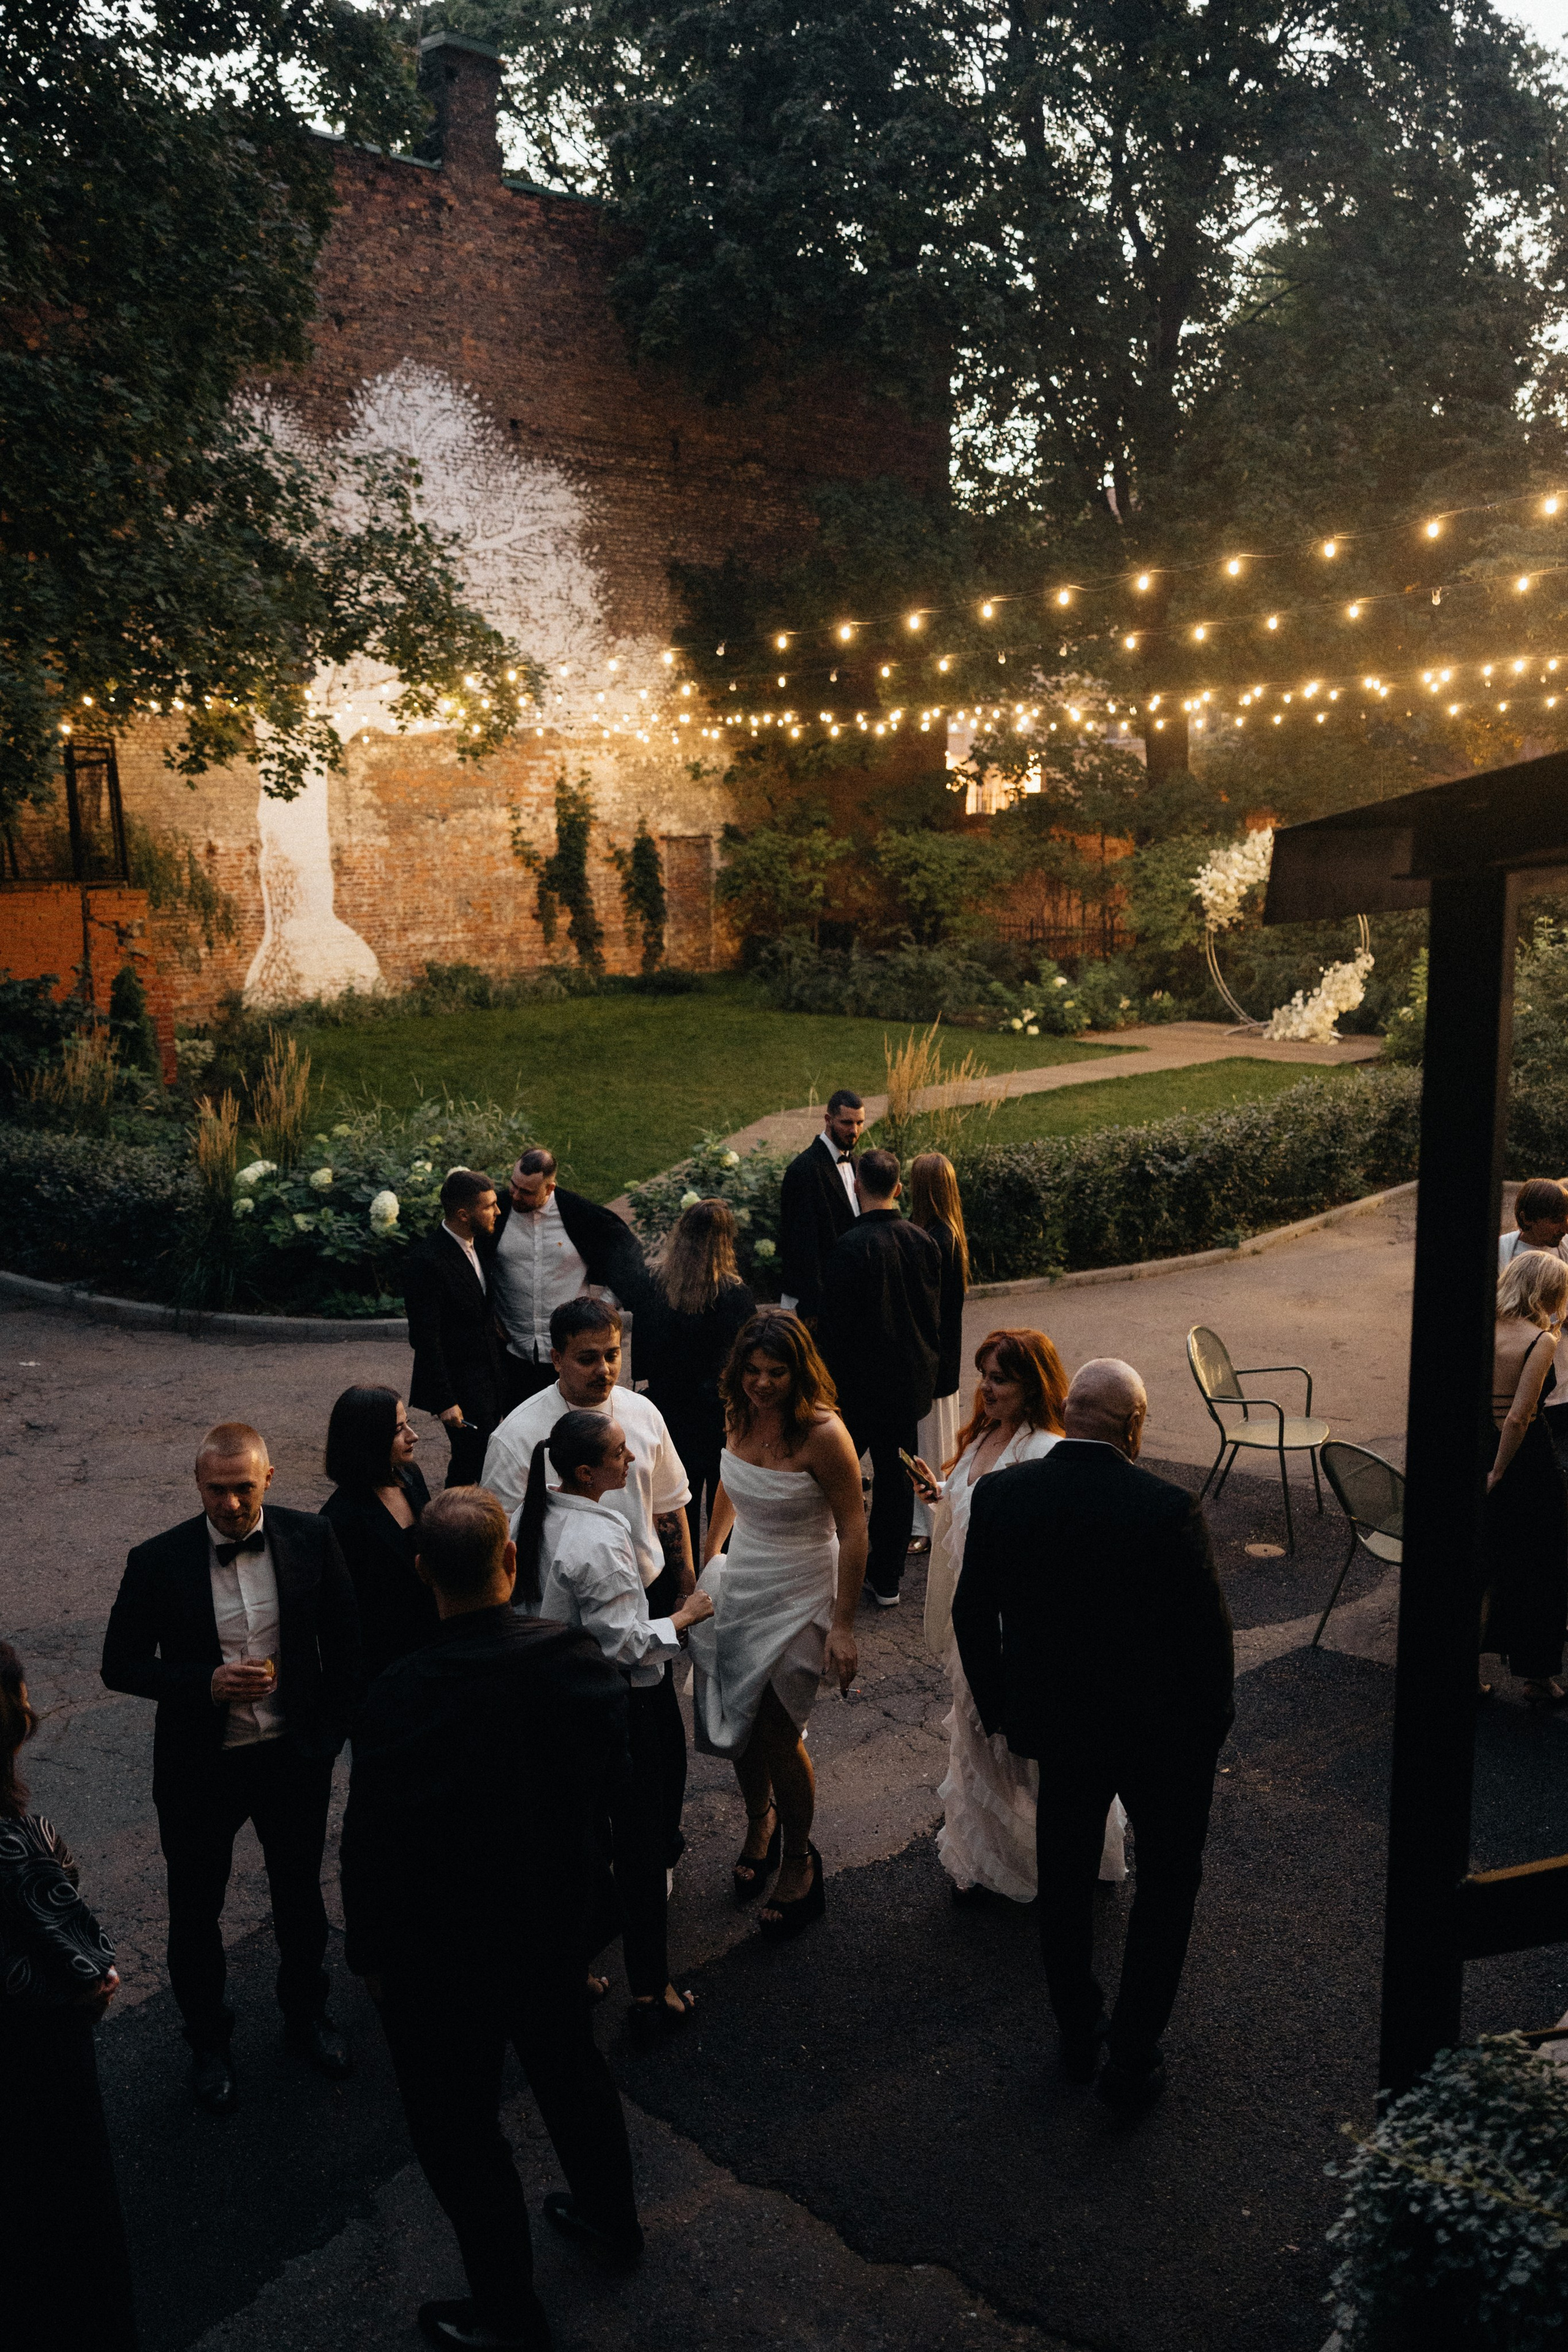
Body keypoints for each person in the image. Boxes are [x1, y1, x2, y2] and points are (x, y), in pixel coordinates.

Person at [341, 1487, 642, 2352]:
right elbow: (621, 1795)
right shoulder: (576, 1660)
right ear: (512, 1560)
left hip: (443, 1956)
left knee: (461, 2132)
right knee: (571, 2074)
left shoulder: (400, 1693)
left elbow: (370, 1844)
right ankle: (612, 2218)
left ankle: (510, 2311)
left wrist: (372, 1952)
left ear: (422, 1573)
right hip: (552, 1929)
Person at [954, 1359, 1234, 2114]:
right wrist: (1208, 1734)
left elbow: (970, 1613)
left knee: (1066, 1879)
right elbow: (1206, 1642)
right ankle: (1132, 2057)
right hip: (1160, 1737)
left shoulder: (1004, 1495)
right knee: (1168, 1885)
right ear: (1134, 1427)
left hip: (1061, 1730)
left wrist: (1004, 1709)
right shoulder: (1167, 1508)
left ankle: (1077, 2030)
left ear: (1070, 1414)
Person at [101, 1421, 360, 2115]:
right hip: (200, 1767)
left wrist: (328, 1735)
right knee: (195, 1912)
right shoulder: (157, 1560)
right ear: (198, 1486)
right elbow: (118, 1665)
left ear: (268, 1480)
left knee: (300, 1899)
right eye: (217, 1490)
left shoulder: (311, 1538)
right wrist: (203, 1685)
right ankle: (207, 2044)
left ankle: (307, 2018)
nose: (231, 1504)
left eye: (244, 1488)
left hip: (291, 1759)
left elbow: (346, 1641)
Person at [515, 1412, 714, 2039]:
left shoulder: (537, 1517)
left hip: (549, 1707)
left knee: (572, 1847)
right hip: (613, 1709)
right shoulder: (599, 1542)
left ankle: (563, 1970)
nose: (629, 1464)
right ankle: (653, 1991)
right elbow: (626, 1645)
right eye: (619, 1455)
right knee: (639, 1848)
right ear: (585, 1471)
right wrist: (686, 1617)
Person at [911, 1329, 1128, 1904]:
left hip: (1012, 1626)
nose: (986, 1388)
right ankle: (990, 1863)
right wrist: (940, 1493)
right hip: (970, 1618)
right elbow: (971, 1511)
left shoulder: (1042, 1450)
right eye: (984, 1375)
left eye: (1000, 1378)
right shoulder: (985, 1435)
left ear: (1032, 1385)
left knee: (1024, 1755)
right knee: (980, 1746)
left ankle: (1049, 1864)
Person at [482, 1298, 695, 1878]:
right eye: (587, 1358)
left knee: (655, 1741)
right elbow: (496, 1545)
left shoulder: (643, 1415)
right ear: (555, 1358)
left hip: (643, 1594)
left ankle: (655, 1853)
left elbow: (671, 1510)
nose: (604, 1370)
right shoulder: (515, 1436)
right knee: (576, 1754)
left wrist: (684, 1589)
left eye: (613, 1355)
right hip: (556, 1619)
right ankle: (590, 1866)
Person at [688, 1311, 869, 1938]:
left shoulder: (824, 1434)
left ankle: (799, 1859)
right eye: (752, 1371)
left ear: (800, 1371)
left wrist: (843, 1626)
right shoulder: (737, 1410)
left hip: (802, 1585)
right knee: (739, 1715)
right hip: (744, 1578)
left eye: (776, 1372)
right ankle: (758, 1820)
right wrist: (707, 1559)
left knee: (777, 1726)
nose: (761, 1383)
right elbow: (728, 1486)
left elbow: (853, 1528)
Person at [1, 1641, 139, 2350]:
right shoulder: (21, 1843)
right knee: (58, 2215)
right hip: (32, 2065)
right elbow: (83, 1963)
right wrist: (89, 1988)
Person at [817, 1148, 943, 1607]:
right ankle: (887, 1579)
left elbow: (835, 1330)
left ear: (857, 1186)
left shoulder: (849, 1247)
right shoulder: (922, 1242)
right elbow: (933, 1317)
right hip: (907, 1386)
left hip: (857, 1389)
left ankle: (829, 1571)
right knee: (895, 1483)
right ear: (898, 1188)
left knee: (833, 1478)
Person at [633, 1197, 756, 1558]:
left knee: (675, 1502)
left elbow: (643, 1351)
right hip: (718, 1412)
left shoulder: (656, 1284)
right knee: (722, 1508)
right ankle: (721, 1580)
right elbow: (745, 1357)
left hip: (670, 1411)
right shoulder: (734, 1294)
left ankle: (679, 1582)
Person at [486, 1147, 641, 1411]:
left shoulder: (580, 1215)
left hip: (568, 1354)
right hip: (511, 1351)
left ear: (549, 1189)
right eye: (514, 1185)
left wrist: (604, 1306)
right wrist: (487, 1313)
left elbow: (628, 1257)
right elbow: (468, 1265)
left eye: (527, 1192)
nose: (515, 1195)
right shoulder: (495, 1213)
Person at [1483, 1248, 1568, 1706]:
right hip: (1526, 1465)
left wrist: (1486, 1467)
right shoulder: (1541, 1341)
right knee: (1541, 1568)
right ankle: (1538, 1678)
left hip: (1480, 1452)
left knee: (1483, 1565)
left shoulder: (1484, 1328)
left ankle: (1467, 1673)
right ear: (1548, 1292)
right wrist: (1501, 1469)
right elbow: (1519, 1418)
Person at [320, 1385, 438, 1688]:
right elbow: (345, 1619)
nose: (413, 1435)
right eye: (399, 1429)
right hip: (387, 1666)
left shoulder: (410, 1476)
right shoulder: (338, 1519)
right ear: (369, 1439)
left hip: (433, 1644)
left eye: (407, 1424)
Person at [404, 1167, 507, 1487]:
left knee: (485, 1459)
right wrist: (445, 1400)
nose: (498, 1211)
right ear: (463, 1214)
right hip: (461, 1386)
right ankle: (453, 1525)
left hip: (489, 1378)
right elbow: (425, 1336)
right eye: (490, 1206)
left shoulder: (480, 1246)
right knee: (471, 1462)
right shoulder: (427, 1261)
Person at [907, 1152, 970, 1550]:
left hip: (932, 1361)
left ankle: (930, 1526)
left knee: (929, 1445)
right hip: (945, 1358)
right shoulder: (951, 1236)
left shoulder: (933, 1240)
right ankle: (931, 1522)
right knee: (938, 1442)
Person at [1499, 1177, 1568, 1473]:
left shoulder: (1565, 1248)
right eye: (1555, 1220)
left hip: (1564, 1385)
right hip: (1517, 1387)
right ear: (1526, 1218)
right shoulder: (1501, 1251)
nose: (1564, 1227)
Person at [778, 1088, 865, 1320]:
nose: (854, 1131)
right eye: (847, 1123)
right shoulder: (803, 1170)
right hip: (823, 1302)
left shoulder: (858, 1164)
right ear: (828, 1120)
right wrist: (812, 1308)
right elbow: (800, 1245)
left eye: (860, 1123)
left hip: (855, 1298)